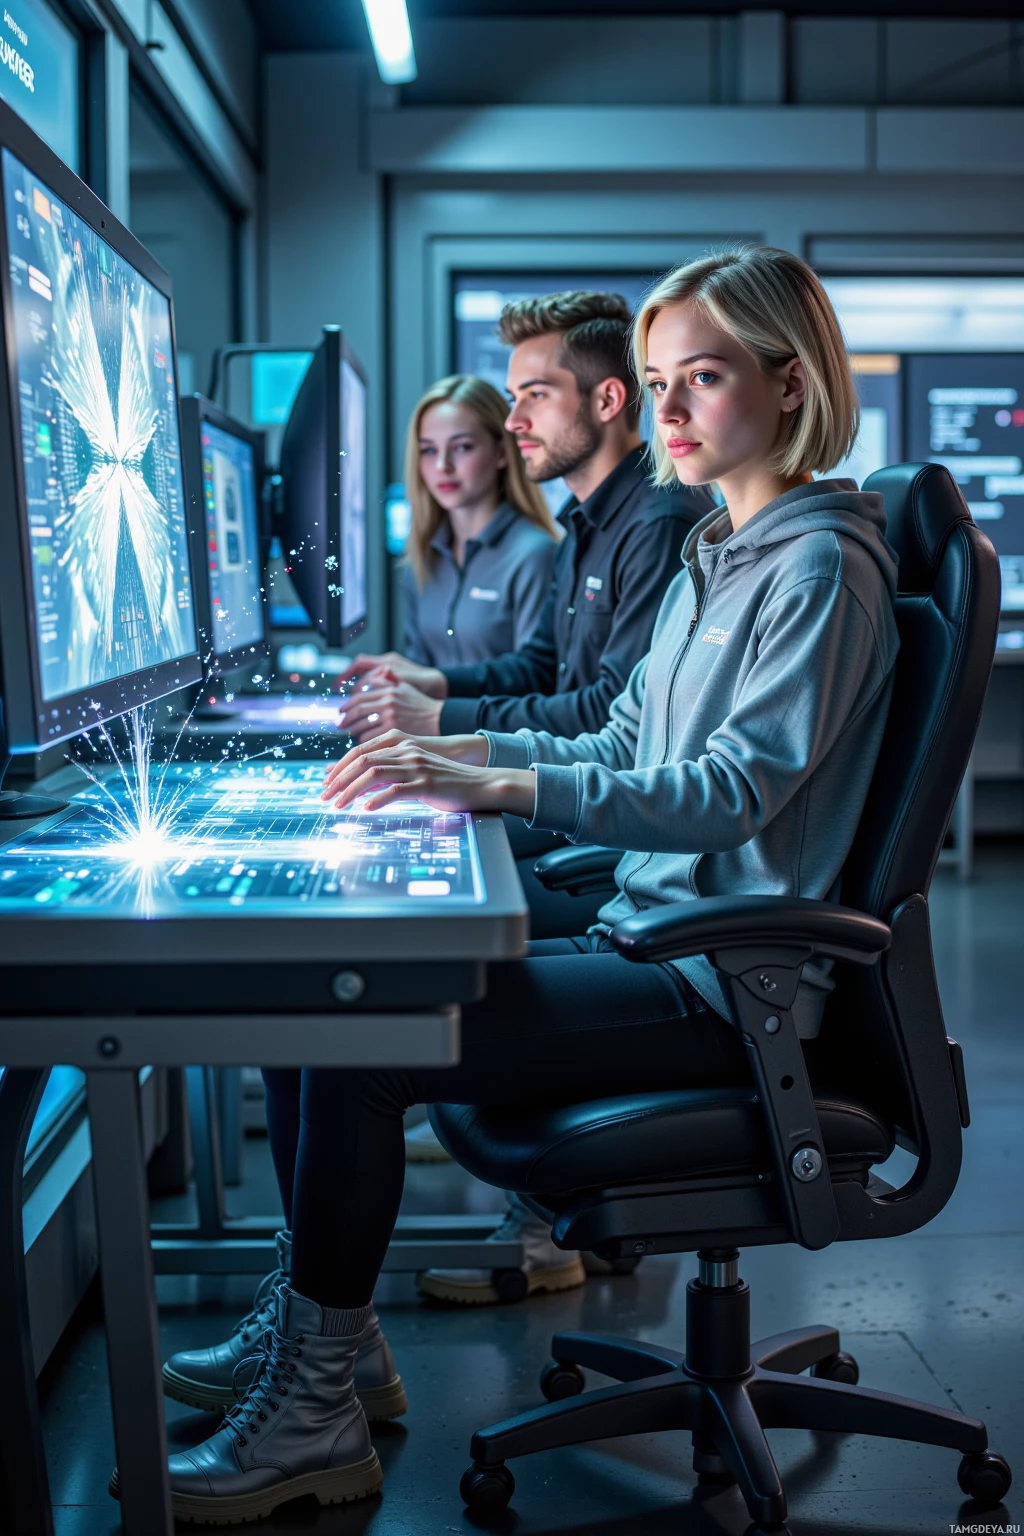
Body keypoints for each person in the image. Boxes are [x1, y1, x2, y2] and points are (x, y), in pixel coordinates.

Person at [137, 247, 900, 1523]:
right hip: (650, 934)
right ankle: (328, 1346)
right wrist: (459, 755)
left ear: (790, 380)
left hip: (722, 980)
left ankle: (316, 1403)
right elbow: (618, 743)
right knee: (330, 988)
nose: (662, 413)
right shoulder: (726, 553)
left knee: (363, 1037)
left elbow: (721, 793)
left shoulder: (818, 570)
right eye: (656, 382)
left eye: (698, 380)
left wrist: (501, 787)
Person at [343, 290, 712, 1294]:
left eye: (531, 396)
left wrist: (462, 754)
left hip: (636, 860)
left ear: (603, 400)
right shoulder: (592, 519)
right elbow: (549, 673)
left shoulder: (667, 518)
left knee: (395, 952)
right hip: (619, 834)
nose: (512, 425)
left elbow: (613, 722)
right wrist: (439, 696)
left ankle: (541, 1233)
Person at [398, 374, 559, 671]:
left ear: (501, 453)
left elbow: (534, 678)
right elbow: (416, 667)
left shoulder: (534, 555)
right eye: (429, 450)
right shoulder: (422, 558)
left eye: (462, 447)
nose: (442, 466)